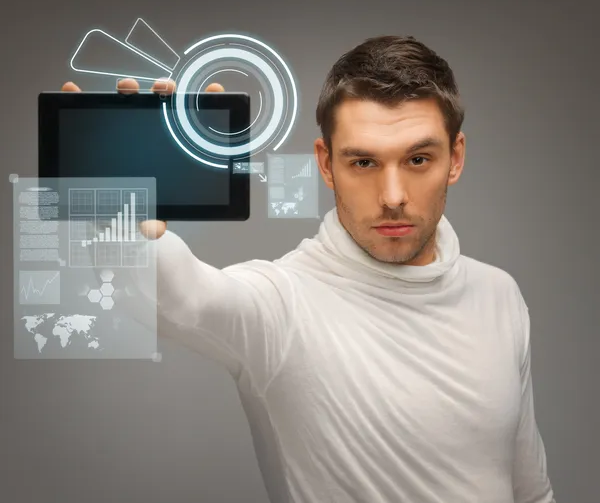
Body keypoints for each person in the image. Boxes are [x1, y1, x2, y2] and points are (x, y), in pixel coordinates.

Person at [62, 35, 556, 503]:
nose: (392, 197)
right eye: (363, 163)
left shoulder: (500, 293)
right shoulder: (281, 303)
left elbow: (531, 490)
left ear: (456, 158)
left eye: (418, 159)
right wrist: (117, 223)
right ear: (325, 164)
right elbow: (183, 298)